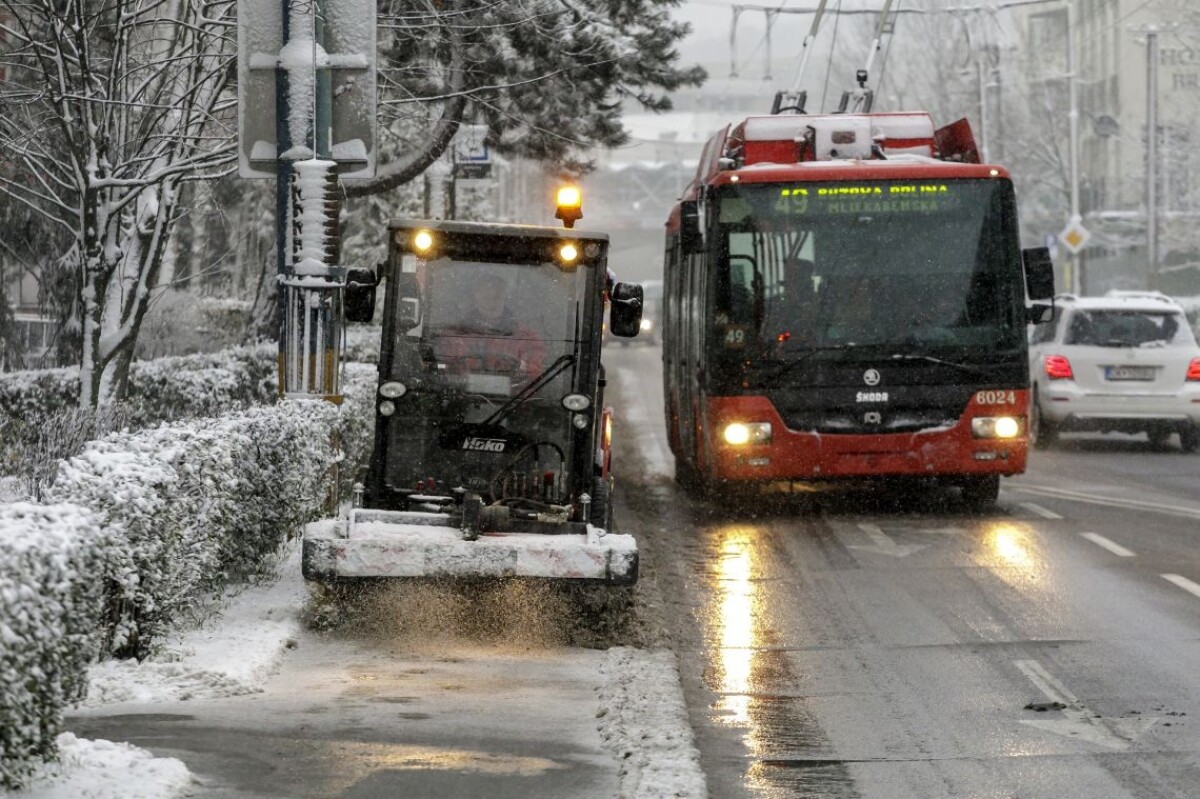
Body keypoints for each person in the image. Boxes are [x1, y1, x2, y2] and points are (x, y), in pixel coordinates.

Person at [433, 272, 547, 384]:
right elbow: (440, 369)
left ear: (506, 297)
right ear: (475, 296)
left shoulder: (526, 337)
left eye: (497, 294)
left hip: (514, 399)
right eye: (486, 294)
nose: (492, 297)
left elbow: (536, 373)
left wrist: (522, 367)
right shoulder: (454, 335)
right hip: (462, 399)